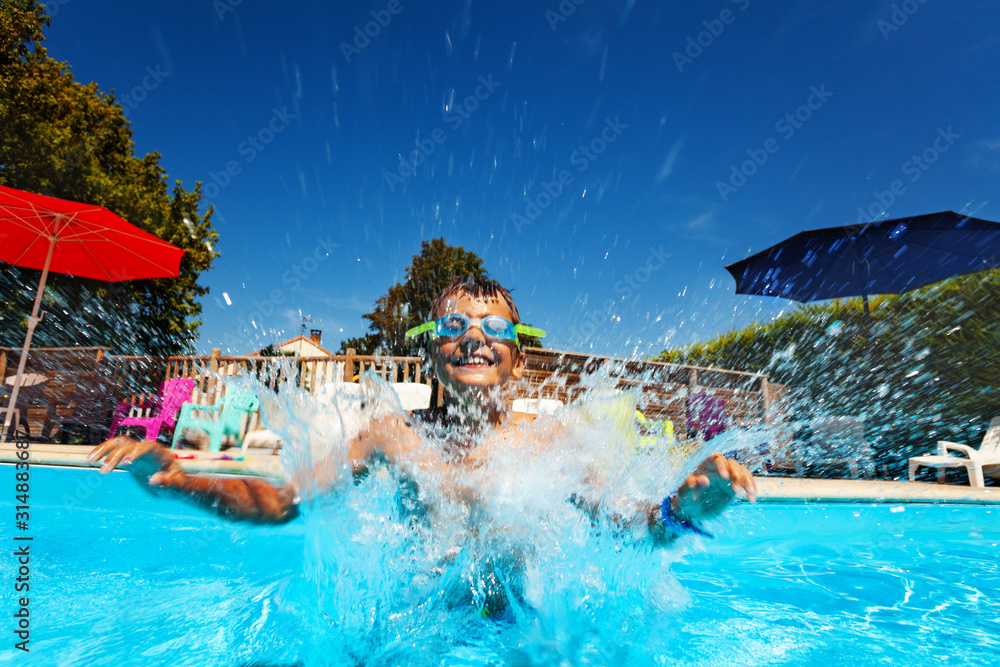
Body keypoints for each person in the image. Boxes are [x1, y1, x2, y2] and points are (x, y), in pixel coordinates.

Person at [89, 275, 756, 541]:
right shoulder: (389, 436)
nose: (473, 337)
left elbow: (627, 528)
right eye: (453, 328)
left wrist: (680, 508)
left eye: (493, 328)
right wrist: (181, 477)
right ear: (433, 353)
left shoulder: (552, 441)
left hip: (520, 629)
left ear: (518, 356)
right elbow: (285, 501)